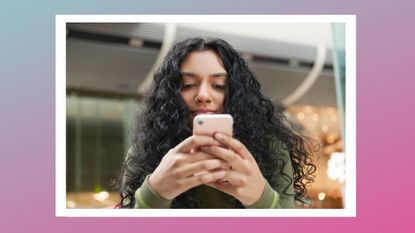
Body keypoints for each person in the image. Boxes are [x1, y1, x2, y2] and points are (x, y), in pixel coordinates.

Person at [117, 37, 317, 209]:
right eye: (187, 85)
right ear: (170, 94)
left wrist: (261, 199)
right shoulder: (142, 153)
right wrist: (154, 194)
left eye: (219, 85)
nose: (203, 95)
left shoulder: (272, 149)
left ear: (236, 94)